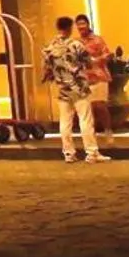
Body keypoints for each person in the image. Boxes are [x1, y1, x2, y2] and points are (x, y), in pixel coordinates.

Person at [39, 16, 106, 163]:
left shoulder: (50, 47)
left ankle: (68, 153)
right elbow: (88, 63)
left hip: (62, 88)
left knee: (65, 121)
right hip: (79, 87)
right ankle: (91, 152)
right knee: (85, 119)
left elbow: (46, 70)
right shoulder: (77, 45)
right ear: (70, 28)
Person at [75, 13, 114, 137]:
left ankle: (108, 131)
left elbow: (108, 54)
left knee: (100, 106)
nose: (81, 26)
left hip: (99, 77)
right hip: (84, 79)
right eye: (78, 24)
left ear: (88, 24)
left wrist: (96, 60)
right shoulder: (76, 42)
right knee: (87, 109)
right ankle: (90, 135)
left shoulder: (97, 39)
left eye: (83, 23)